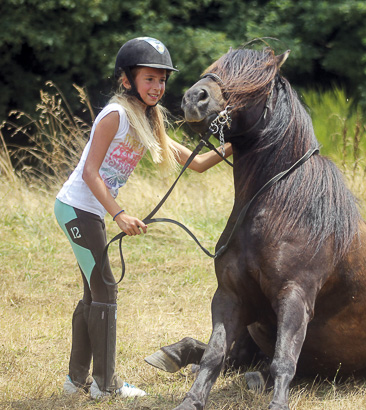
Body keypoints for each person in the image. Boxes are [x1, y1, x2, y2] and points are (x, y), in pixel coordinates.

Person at [54, 37, 232, 399]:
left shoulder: (148, 121)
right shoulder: (116, 115)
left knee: (94, 292)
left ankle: (76, 382)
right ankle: (105, 386)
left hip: (88, 210)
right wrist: (119, 215)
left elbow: (196, 163)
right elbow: (90, 172)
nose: (157, 87)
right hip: (77, 208)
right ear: (127, 80)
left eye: (162, 80)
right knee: (105, 289)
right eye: (149, 79)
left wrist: (237, 143)